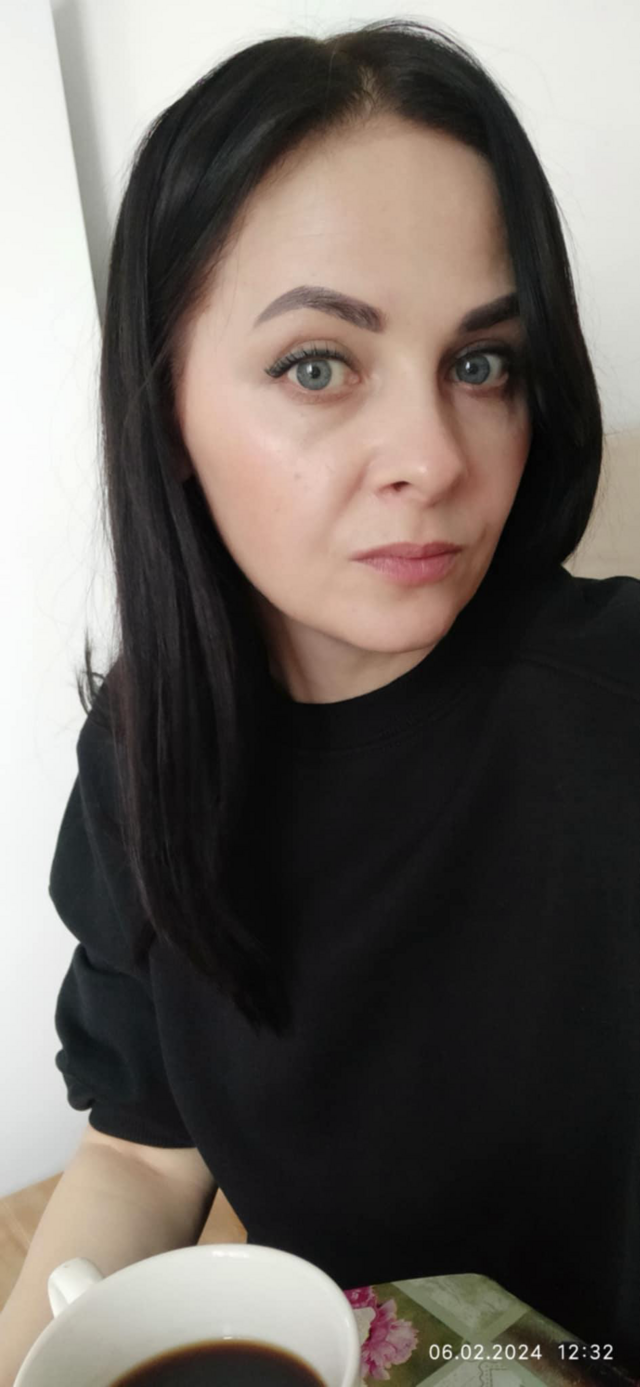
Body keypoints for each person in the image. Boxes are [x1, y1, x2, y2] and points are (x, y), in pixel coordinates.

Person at [2, 16, 639, 1383]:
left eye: (483, 363)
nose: (433, 456)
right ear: (166, 404)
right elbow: (138, 1149)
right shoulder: (144, 753)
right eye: (317, 365)